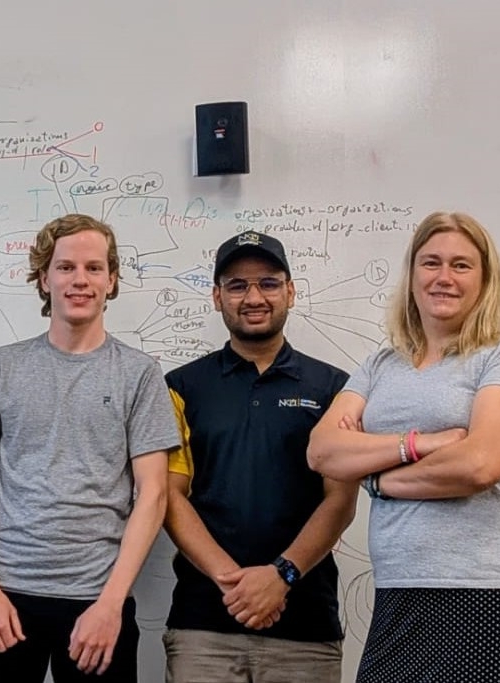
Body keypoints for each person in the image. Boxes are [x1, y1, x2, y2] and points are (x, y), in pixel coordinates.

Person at [307, 211, 500, 682]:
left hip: (492, 596)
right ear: (411, 276)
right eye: (431, 263)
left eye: (461, 265)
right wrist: (421, 443)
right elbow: (323, 452)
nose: (443, 277)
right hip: (400, 595)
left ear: (485, 280)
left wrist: (378, 479)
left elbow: (479, 465)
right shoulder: (380, 364)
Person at [0, 213, 179, 683]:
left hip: (99, 602)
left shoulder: (139, 374)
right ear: (43, 278)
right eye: (66, 267)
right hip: (5, 599)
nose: (80, 280)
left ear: (112, 280)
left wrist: (112, 604)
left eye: (95, 268)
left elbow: (153, 493)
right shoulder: (2, 368)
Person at [162, 230, 359, 683]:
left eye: (268, 283)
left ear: (290, 291)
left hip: (305, 630)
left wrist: (281, 576)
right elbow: (169, 498)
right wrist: (235, 582)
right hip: (202, 628)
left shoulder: (335, 388)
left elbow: (341, 500)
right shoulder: (179, 387)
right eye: (237, 285)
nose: (254, 297)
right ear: (217, 297)